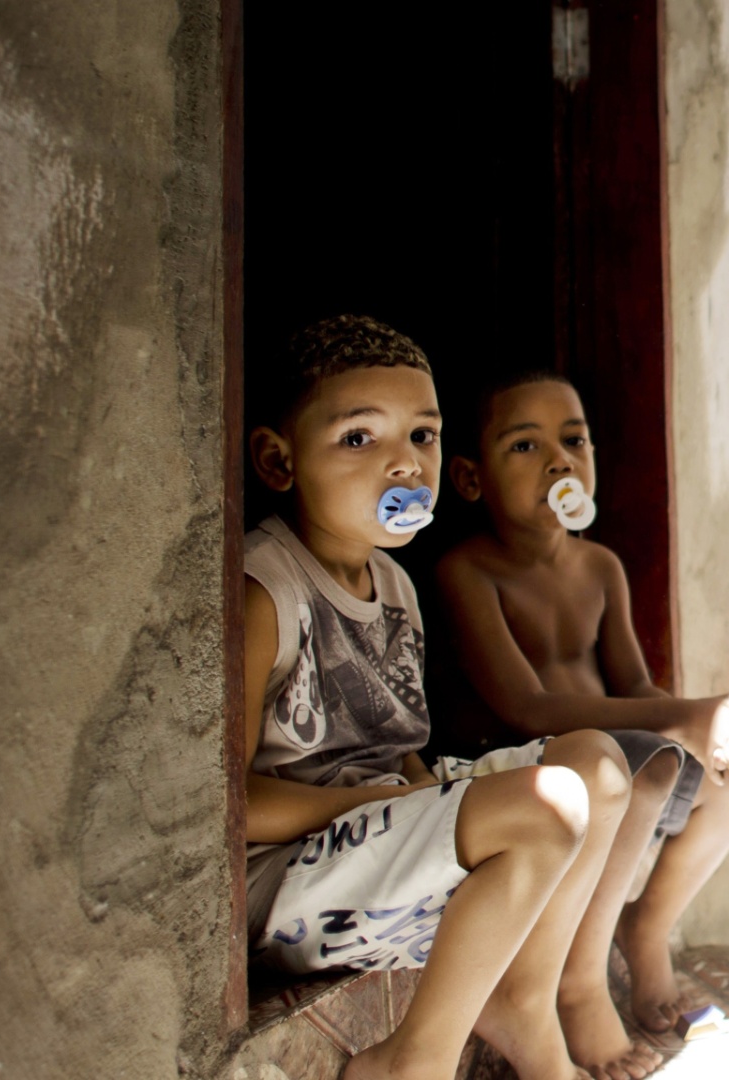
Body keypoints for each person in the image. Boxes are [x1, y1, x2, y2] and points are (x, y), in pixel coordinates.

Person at [242, 315, 671, 1080]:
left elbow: (394, 745)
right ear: (277, 461)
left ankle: (522, 1001)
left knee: (598, 766)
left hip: (376, 842)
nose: (405, 465)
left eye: (423, 437)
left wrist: (410, 793)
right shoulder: (263, 591)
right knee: (548, 805)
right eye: (358, 438)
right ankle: (414, 1061)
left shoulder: (397, 585)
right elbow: (229, 806)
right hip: (288, 884)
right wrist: (388, 803)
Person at [433, 370, 729, 1039]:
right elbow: (524, 706)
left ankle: (646, 928)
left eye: (574, 441)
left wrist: (703, 723)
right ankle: (578, 984)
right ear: (471, 479)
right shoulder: (466, 572)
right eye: (525, 447)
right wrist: (686, 715)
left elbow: (635, 687)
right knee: (650, 769)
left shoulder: (601, 568)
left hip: (621, 753)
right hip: (522, 763)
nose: (559, 460)